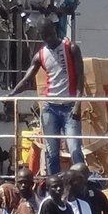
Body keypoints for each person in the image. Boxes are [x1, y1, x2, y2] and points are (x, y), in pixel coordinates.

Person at [33, 25, 85, 176]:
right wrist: (12, 94)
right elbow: (28, 76)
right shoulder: (40, 55)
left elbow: (81, 77)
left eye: (50, 34)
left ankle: (81, 181)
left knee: (75, 149)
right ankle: (53, 182)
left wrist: (77, 105)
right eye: (45, 36)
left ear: (55, 31)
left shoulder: (71, 48)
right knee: (51, 151)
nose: (48, 39)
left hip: (70, 107)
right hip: (50, 108)